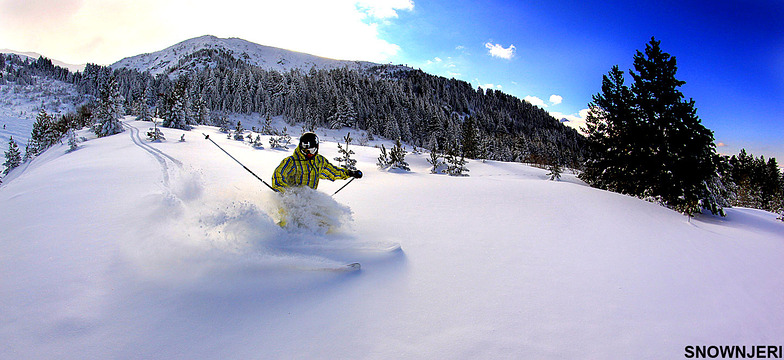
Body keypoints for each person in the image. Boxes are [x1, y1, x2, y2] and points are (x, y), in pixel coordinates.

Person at [271, 132, 362, 192]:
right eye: (305, 151)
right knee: (287, 220)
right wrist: (285, 193)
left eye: (311, 150)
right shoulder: (292, 162)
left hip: (309, 203)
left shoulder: (319, 161)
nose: (308, 153)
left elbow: (332, 172)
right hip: (290, 202)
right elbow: (278, 175)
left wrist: (349, 173)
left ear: (316, 148)